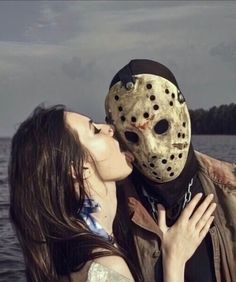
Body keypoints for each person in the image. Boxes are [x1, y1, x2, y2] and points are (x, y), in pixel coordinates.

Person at [9, 105, 216, 282]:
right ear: (77, 169)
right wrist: (175, 260)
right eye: (95, 130)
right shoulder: (105, 268)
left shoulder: (68, 252)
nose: (110, 129)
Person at [105, 59, 236, 282]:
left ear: (182, 111)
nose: (153, 150)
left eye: (161, 126)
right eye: (133, 136)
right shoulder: (111, 210)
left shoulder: (230, 188)